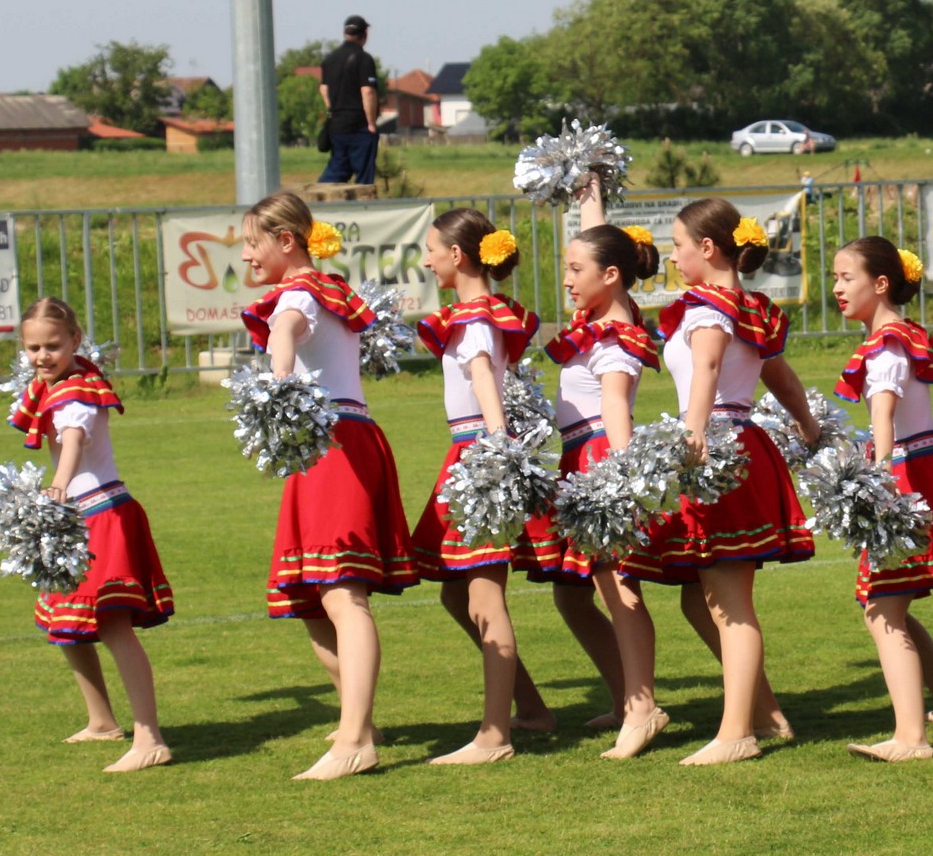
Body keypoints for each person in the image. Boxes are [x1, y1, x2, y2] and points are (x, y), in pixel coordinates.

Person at [619, 198, 821, 765]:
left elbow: (707, 369)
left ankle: (736, 734)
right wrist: (804, 422)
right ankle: (763, 711)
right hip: (734, 441)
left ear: (707, 249)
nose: (675, 258)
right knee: (697, 597)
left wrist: (694, 435)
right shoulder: (748, 305)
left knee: (729, 600)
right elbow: (778, 374)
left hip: (717, 448)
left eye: (680, 246)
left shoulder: (708, 307)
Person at [239, 192, 418, 780]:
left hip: (334, 443)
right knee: (313, 597)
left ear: (286, 241)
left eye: (252, 243)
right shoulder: (333, 289)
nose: (246, 257)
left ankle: (354, 743)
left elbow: (284, 334)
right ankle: (358, 723)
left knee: (342, 594)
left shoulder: (296, 296)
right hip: (341, 440)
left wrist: (279, 387)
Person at [520, 217, 670, 758]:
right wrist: (588, 190)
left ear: (610, 275)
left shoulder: (617, 334)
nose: (566, 278)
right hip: (577, 457)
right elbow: (599, 236)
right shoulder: (599, 318)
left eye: (575, 269)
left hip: (600, 458)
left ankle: (644, 706)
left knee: (617, 588)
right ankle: (625, 699)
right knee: (572, 594)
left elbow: (613, 407)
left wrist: (623, 477)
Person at [410, 208, 554, 765]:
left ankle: (495, 736)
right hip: (473, 451)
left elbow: (486, 387)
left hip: (479, 455)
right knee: (455, 590)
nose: (425, 259)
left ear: (458, 255)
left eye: (431, 249)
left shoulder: (472, 319)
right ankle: (532, 708)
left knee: (484, 595)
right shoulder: (480, 313)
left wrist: (498, 455)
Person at [9, 297, 173, 773]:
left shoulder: (74, 391)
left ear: (75, 340)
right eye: (34, 348)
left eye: (52, 346)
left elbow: (75, 441)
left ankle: (150, 737)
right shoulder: (62, 381)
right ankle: (101, 720)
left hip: (99, 513)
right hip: (77, 516)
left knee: (112, 625)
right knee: (66, 625)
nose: (42, 356)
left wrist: (57, 486)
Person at [831, 237, 933, 763]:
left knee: (882, 607)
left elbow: (884, 418)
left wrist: (877, 485)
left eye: (847, 278)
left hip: (906, 476)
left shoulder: (887, 343)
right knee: (893, 601)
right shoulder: (898, 336)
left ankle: (911, 738)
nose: (837, 288)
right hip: (920, 469)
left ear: (882, 283)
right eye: (835, 278)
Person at [319, 15, 381, 185]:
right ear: (365, 34)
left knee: (338, 170)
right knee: (364, 178)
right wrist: (371, 123)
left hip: (337, 125)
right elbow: (367, 91)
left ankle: (318, 203)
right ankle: (364, 209)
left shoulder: (330, 59)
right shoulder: (363, 59)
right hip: (359, 125)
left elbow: (323, 88)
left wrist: (333, 108)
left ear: (344, 32)